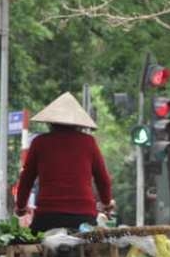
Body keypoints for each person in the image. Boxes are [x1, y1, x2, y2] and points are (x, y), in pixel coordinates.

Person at [14, 92, 113, 233]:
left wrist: (21, 207)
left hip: (47, 217)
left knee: (35, 249)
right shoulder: (89, 142)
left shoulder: (39, 142)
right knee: (90, 248)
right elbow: (103, 180)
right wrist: (107, 203)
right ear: (78, 124)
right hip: (83, 218)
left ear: (50, 122)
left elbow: (26, 179)